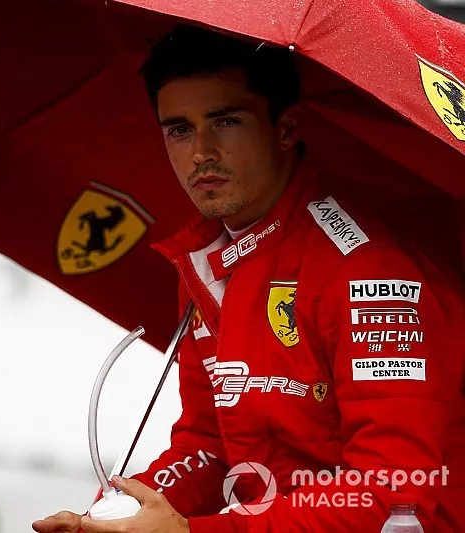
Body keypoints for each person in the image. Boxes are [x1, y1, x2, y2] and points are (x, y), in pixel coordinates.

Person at [33, 24, 465, 533]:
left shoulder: (369, 273)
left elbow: (392, 500)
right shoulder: (206, 260)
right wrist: (115, 516)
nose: (201, 152)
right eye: (179, 129)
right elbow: (209, 445)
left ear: (286, 128)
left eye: (226, 121)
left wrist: (192, 532)